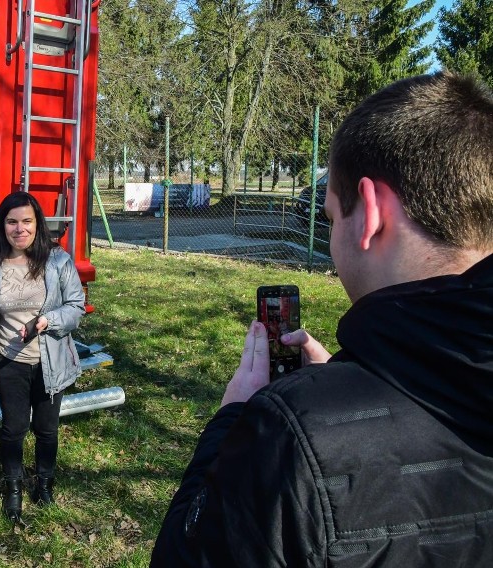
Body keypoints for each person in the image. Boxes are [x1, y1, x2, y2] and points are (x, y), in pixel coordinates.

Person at [152, 71, 493, 566]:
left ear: (371, 213)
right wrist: (360, 394)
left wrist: (233, 424)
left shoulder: (286, 434)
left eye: (332, 217)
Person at [0, 192, 85, 524]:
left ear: (37, 224)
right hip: (9, 361)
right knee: (13, 429)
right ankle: (13, 489)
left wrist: (47, 321)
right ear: (3, 226)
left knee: (47, 430)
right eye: (12, 222)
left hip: (49, 360)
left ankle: (44, 484)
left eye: (27, 221)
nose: (20, 229)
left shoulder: (57, 261)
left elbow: (75, 307)